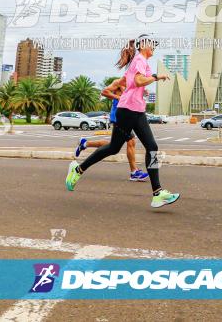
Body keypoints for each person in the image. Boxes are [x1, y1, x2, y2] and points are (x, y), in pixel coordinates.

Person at [66, 34, 180, 208]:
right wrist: (156, 77)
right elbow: (139, 80)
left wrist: (144, 87)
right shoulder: (139, 60)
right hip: (126, 111)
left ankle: (158, 194)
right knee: (113, 147)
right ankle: (78, 170)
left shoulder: (142, 62)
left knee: (152, 147)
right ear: (143, 45)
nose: (154, 47)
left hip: (138, 111)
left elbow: (133, 81)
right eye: (152, 44)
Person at [74, 76, 148, 181]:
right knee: (130, 141)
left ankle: (85, 143)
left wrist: (143, 92)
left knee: (113, 146)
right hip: (118, 117)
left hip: (127, 117)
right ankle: (134, 172)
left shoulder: (133, 84)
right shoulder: (118, 82)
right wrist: (118, 98)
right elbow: (104, 92)